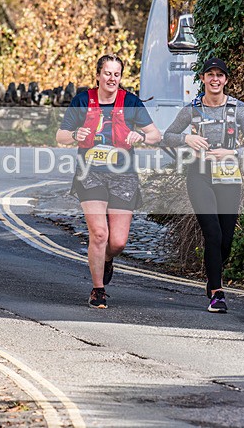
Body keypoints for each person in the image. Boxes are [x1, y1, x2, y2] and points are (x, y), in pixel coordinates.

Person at [56, 55, 162, 308]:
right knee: (100, 233)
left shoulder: (131, 103)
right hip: (90, 174)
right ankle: (98, 289)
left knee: (117, 241)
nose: (112, 78)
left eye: (116, 74)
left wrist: (141, 136)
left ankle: (106, 259)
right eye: (107, 73)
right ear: (98, 75)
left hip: (123, 176)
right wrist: (74, 134)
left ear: (120, 78)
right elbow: (60, 135)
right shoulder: (83, 100)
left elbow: (155, 135)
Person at [162, 57, 244, 313]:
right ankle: (217, 292)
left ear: (226, 80)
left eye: (220, 75)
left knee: (225, 240)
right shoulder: (191, 110)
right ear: (203, 79)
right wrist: (187, 139)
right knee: (213, 234)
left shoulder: (239, 109)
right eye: (210, 74)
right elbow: (167, 137)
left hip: (228, 176)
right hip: (199, 175)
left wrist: (232, 154)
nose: (215, 79)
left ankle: (212, 276)